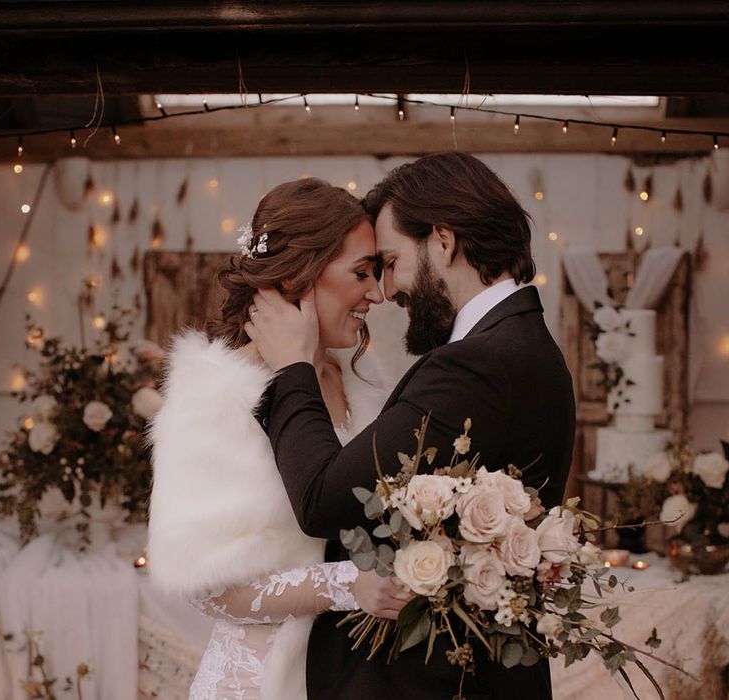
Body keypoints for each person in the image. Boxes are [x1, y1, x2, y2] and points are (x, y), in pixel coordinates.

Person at [245, 152, 576, 699]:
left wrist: (291, 369)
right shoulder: (528, 345)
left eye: (392, 262)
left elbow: (324, 500)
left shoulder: (478, 362)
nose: (387, 290)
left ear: (442, 242)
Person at [147, 178, 409, 700]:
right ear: (299, 277)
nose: (377, 294)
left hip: (359, 676)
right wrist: (344, 586)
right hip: (265, 680)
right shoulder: (217, 395)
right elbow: (209, 588)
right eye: (361, 273)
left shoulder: (362, 381)